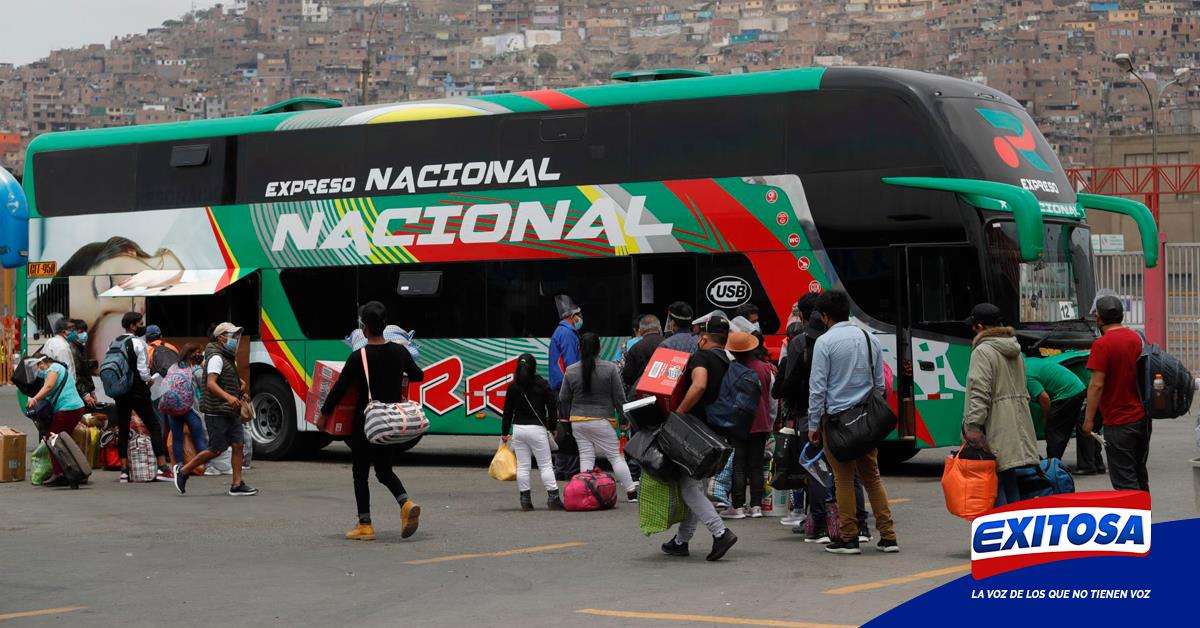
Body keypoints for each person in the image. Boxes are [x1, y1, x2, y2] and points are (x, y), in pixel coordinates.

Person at [315, 302, 426, 540]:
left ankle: (365, 524)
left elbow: (339, 389)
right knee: (384, 470)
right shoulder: (400, 351)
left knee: (360, 473)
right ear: (385, 326)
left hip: (365, 424)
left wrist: (323, 416)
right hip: (389, 423)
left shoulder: (359, 356)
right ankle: (405, 503)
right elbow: (418, 375)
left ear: (364, 329)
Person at [808, 290, 898, 554]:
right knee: (872, 477)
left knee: (843, 478)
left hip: (837, 422)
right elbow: (880, 385)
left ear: (825, 316)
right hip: (866, 419)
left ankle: (848, 537)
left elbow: (818, 389)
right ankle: (889, 536)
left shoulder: (825, 343)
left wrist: (814, 425)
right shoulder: (870, 338)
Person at [661, 315, 738, 561]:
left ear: (704, 337)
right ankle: (681, 541)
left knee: (688, 486)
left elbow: (699, 385)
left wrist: (679, 413)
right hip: (719, 431)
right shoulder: (729, 360)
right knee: (696, 486)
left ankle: (720, 532)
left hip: (697, 431)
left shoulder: (702, 357)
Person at [961, 303, 1040, 507]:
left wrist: (973, 426)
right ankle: (1015, 532)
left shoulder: (983, 351)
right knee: (1009, 477)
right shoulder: (1014, 349)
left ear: (979, 327)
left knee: (994, 484)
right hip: (1016, 422)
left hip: (995, 424)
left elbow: (979, 391)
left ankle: (1002, 533)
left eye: (974, 327)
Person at [173, 322, 257, 496]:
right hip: (217, 410)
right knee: (216, 449)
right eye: (231, 336)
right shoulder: (216, 358)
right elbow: (211, 383)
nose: (235, 339)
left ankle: (237, 484)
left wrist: (239, 387)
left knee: (238, 445)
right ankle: (183, 471)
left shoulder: (226, 356)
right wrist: (228, 397)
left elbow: (225, 379)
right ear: (220, 338)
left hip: (230, 410)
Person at [1083, 295, 1150, 492]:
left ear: (1098, 319)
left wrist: (1088, 421)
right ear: (1122, 315)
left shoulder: (1102, 345)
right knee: (1139, 475)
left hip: (1118, 422)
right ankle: (1145, 519)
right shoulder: (1136, 338)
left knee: (1124, 483)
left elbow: (1096, 385)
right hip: (1141, 419)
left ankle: (1136, 522)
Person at [559, 332, 638, 501]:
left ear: (580, 348)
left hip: (578, 422)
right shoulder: (610, 369)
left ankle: (586, 493)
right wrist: (624, 421)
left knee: (586, 456)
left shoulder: (571, 370)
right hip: (602, 420)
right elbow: (619, 398)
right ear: (599, 348)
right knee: (615, 457)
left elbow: (563, 398)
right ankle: (631, 492)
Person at [111, 312, 173, 482]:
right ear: (132, 326)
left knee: (123, 428)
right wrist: (148, 381)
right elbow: (143, 370)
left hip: (120, 390)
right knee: (154, 425)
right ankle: (162, 468)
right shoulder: (138, 343)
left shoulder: (115, 342)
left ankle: (124, 472)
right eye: (140, 323)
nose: (142, 326)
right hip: (137, 390)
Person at [722, 331, 776, 519]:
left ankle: (737, 505)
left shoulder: (731, 369)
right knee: (756, 464)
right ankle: (756, 506)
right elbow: (772, 399)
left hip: (737, 422)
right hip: (760, 422)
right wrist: (770, 420)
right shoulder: (766, 368)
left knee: (738, 465)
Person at [502, 353, 563, 511]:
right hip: (537, 429)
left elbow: (507, 412)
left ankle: (525, 500)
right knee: (545, 465)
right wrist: (553, 427)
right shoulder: (541, 384)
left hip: (519, 429)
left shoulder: (513, 387)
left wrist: (504, 433)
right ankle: (553, 498)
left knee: (523, 466)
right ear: (534, 366)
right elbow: (552, 406)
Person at [26, 354, 87, 486]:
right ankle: (75, 470)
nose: (39, 368)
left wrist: (35, 399)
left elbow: (48, 387)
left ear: (44, 362)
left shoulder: (54, 368)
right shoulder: (57, 368)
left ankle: (60, 473)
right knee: (63, 441)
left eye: (40, 365)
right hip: (75, 408)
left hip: (68, 409)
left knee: (52, 439)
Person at [1025, 356, 1093, 470]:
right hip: (1077, 388)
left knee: (1053, 430)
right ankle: (1091, 464)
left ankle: (1052, 467)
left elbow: (1044, 398)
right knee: (1063, 430)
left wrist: (1046, 418)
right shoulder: (1028, 362)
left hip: (1067, 393)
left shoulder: (1026, 376)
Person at [163, 344, 209, 468]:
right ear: (191, 354)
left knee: (177, 439)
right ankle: (204, 465)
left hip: (172, 409)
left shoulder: (173, 367)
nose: (200, 355)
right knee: (199, 437)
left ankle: (178, 466)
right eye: (198, 352)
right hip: (190, 409)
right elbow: (205, 388)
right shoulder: (195, 370)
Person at [548, 294, 582, 393]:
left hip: (562, 386)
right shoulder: (568, 333)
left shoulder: (561, 331)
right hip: (567, 387)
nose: (580, 318)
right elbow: (571, 364)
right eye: (579, 315)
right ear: (572, 316)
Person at [621, 314, 665, 391]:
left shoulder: (635, 348)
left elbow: (628, 377)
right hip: (664, 391)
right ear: (659, 328)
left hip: (641, 394)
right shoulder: (668, 344)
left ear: (640, 331)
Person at [68, 319, 96, 407]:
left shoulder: (80, 348)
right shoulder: (73, 350)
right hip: (78, 393)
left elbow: (86, 372)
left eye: (84, 331)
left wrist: (91, 390)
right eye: (81, 332)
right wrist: (85, 394)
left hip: (83, 391)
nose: (84, 334)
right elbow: (75, 374)